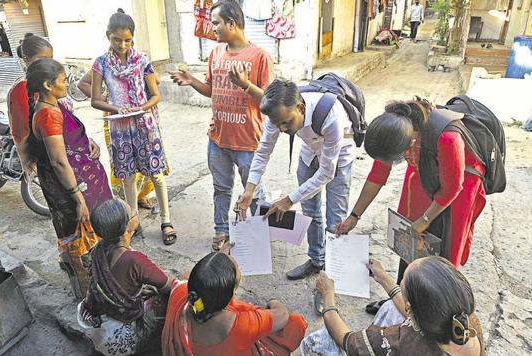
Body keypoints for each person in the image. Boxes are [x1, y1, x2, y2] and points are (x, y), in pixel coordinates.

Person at [336, 99, 486, 313]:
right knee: (408, 239)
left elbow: (452, 189)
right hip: (423, 170)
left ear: (410, 144)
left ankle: (433, 310)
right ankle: (399, 298)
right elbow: (377, 176)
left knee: (443, 246)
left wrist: (425, 220)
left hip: (461, 182)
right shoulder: (396, 131)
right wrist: (354, 216)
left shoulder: (447, 138)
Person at [236, 79, 355, 312]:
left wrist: (289, 199)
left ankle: (328, 284)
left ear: (300, 108)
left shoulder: (331, 116)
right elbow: (262, 153)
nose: (281, 129)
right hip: (309, 154)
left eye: (286, 123)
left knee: (336, 223)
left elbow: (327, 173)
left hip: (338, 160)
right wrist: (249, 189)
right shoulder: (277, 113)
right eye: (278, 124)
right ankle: (316, 260)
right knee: (310, 211)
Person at [169, 0, 273, 251]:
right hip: (218, 139)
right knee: (221, 189)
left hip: (248, 141)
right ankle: (221, 231)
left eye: (216, 23)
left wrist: (246, 84)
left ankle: (257, 234)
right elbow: (212, 90)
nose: (212, 27)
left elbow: (271, 100)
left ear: (232, 23)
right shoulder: (216, 53)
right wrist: (191, 80)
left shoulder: (260, 56)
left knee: (254, 193)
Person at [90, 9, 178, 245]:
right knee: (128, 177)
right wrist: (117, 109)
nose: (122, 45)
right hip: (119, 129)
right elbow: (95, 100)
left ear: (133, 38)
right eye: (117, 39)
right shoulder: (100, 64)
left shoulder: (142, 61)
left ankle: (166, 220)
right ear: (108, 36)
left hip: (145, 126)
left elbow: (156, 95)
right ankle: (133, 219)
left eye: (127, 40)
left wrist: (141, 107)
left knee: (156, 175)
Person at [301, 256, 486, 355]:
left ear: (411, 311)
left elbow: (346, 339)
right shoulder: (464, 321)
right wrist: (383, 278)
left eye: (402, 283)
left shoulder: (400, 341)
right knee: (391, 307)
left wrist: (328, 295)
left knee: (321, 339)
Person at [25, 58, 113, 240]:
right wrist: (79, 200)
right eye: (63, 80)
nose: (67, 84)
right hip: (75, 191)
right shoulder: (48, 115)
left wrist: (86, 140)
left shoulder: (52, 105)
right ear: (48, 85)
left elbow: (66, 137)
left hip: (86, 183)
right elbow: (58, 161)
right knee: (86, 240)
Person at [161, 251, 307, 355]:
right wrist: (274, 302)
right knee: (296, 322)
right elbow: (282, 316)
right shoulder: (239, 324)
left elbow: (185, 277)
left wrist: (218, 261)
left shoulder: (180, 293)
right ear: (231, 294)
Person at [78, 199, 174, 355]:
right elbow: (169, 286)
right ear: (126, 229)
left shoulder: (98, 250)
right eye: (133, 213)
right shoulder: (135, 261)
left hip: (105, 314)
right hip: (125, 327)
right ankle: (151, 344)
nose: (136, 213)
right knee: (171, 296)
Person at [78, 69, 157, 210]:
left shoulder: (138, 59)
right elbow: (83, 83)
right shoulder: (105, 64)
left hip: (140, 119)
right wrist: (106, 99)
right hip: (116, 123)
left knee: (145, 161)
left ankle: (140, 195)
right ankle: (124, 205)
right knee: (122, 164)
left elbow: (156, 80)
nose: (122, 46)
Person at [8, 33, 53, 170]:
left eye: (50, 58)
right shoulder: (21, 88)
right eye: (42, 59)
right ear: (26, 59)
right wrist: (26, 160)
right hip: (47, 156)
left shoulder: (50, 82)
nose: (48, 63)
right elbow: (20, 129)